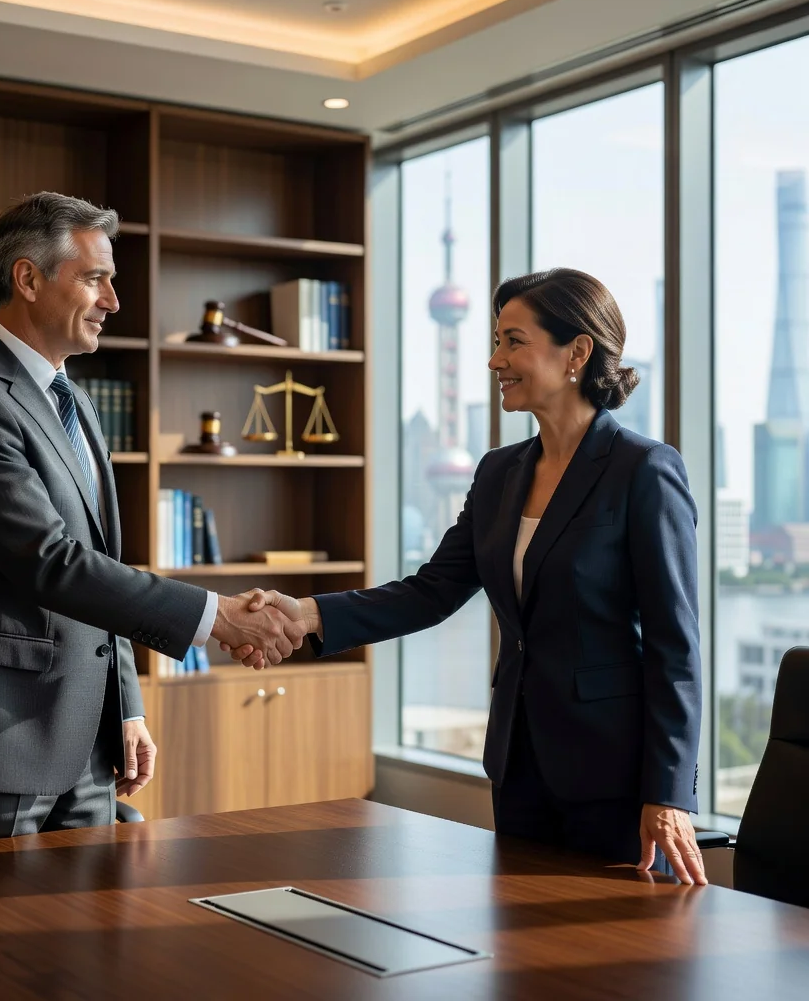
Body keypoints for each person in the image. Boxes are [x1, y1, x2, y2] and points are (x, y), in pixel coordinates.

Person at [231, 268, 708, 886]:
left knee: (617, 942)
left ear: (577, 352)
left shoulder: (644, 470)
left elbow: (676, 648)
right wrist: (307, 614)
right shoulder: (499, 473)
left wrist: (668, 792)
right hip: (519, 765)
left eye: (513, 341)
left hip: (615, 779)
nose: (494, 360)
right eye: (495, 341)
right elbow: (432, 591)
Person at [0, 191, 301, 845]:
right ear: (28, 279)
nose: (112, 301)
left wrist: (127, 706)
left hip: (89, 743)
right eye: (94, 279)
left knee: (89, 915)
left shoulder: (75, 402)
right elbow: (50, 563)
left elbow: (101, 569)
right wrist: (217, 617)